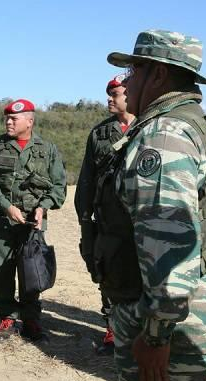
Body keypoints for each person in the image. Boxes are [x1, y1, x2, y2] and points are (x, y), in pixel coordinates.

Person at [96, 30, 206, 381]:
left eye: (133, 71)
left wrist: (156, 335)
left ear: (157, 74)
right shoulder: (196, 126)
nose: (127, 82)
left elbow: (169, 244)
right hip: (186, 317)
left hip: (166, 328)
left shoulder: (164, 136)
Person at [0, 99, 66, 342]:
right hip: (3, 222)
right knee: (2, 271)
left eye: (14, 119)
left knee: (31, 271)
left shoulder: (48, 149)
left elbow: (59, 186)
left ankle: (31, 319)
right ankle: (7, 317)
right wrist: (6, 207)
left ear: (30, 121)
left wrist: (43, 207)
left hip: (32, 225)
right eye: (7, 118)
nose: (8, 122)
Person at [74, 74, 135, 355]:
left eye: (115, 94)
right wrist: (85, 218)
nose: (110, 99)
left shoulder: (149, 127)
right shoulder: (99, 133)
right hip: (108, 220)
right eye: (108, 94)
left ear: (129, 94)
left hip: (140, 219)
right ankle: (113, 329)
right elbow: (86, 179)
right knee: (108, 272)